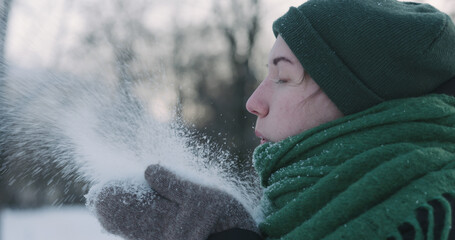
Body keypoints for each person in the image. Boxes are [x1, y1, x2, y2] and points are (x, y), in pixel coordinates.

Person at [92, 0, 455, 239]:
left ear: (363, 103)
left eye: (283, 78)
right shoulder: (291, 212)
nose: (254, 101)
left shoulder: (433, 218)